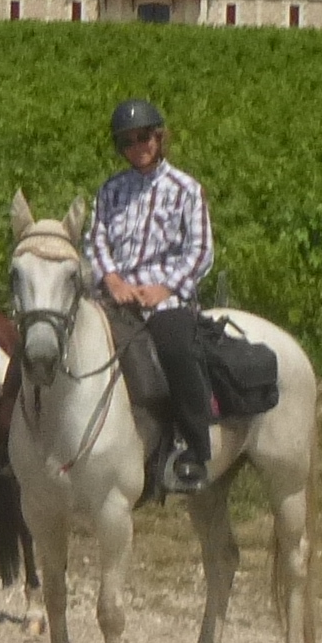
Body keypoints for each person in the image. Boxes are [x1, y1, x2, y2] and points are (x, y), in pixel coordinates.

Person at [84, 97, 215, 493]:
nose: (137, 146)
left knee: (176, 350)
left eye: (143, 137)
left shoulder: (186, 190)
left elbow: (200, 250)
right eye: (127, 141)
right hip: (115, 297)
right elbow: (96, 240)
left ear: (159, 138)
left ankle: (192, 448)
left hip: (164, 298)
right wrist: (112, 279)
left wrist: (165, 288)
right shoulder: (111, 190)